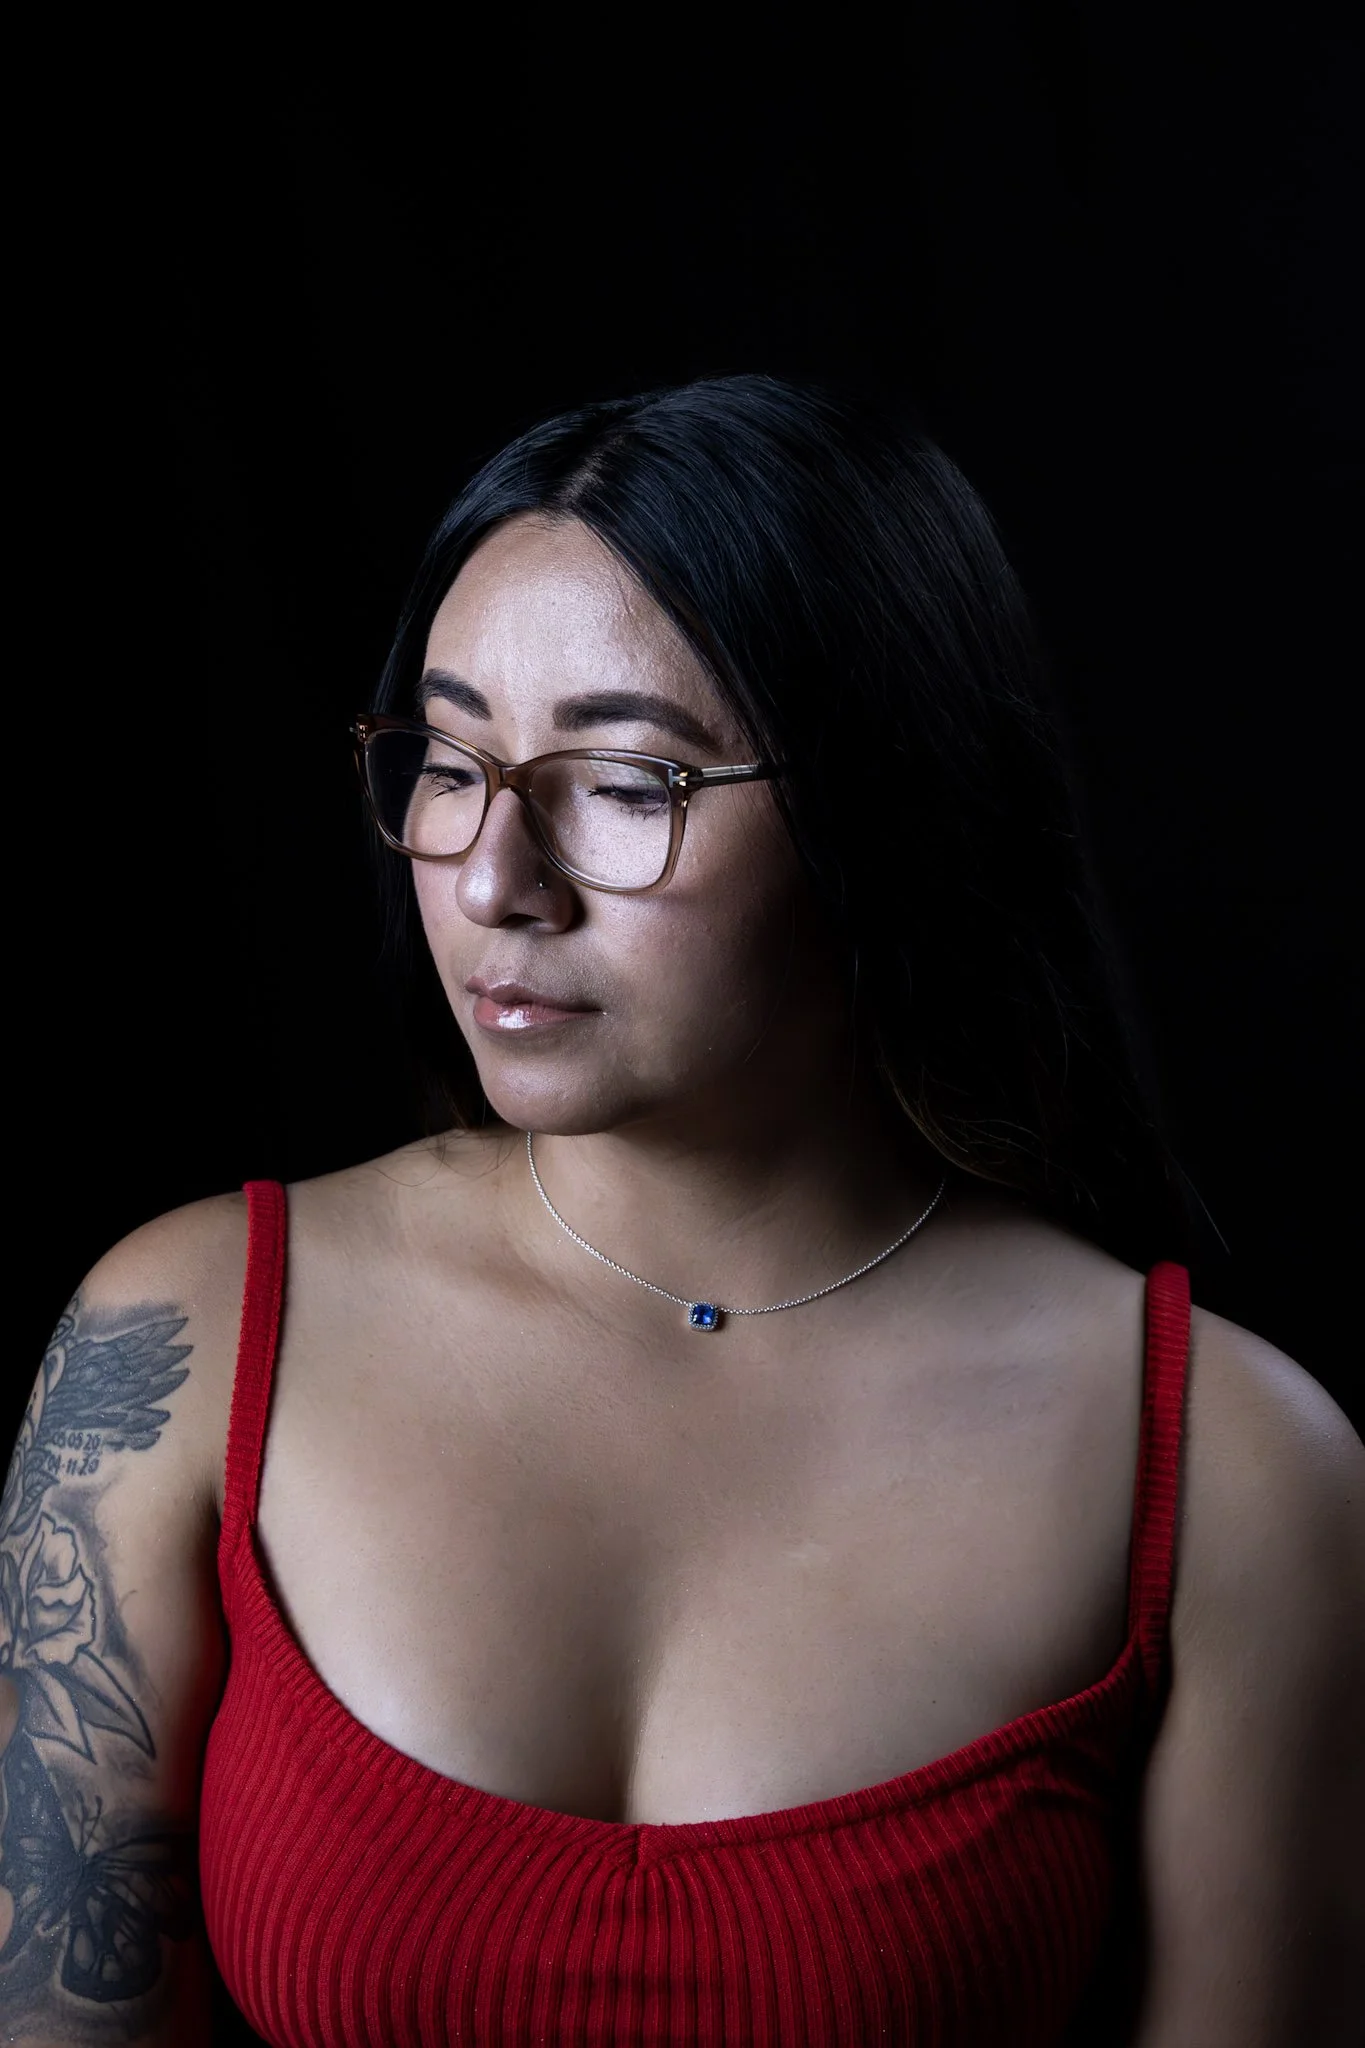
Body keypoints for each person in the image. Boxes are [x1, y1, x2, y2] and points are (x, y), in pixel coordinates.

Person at [1, 376, 1360, 2047]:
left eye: (630, 781)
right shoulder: (185, 1342)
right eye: (449, 761)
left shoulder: (1232, 1472)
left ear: (888, 801)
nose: (493, 880)